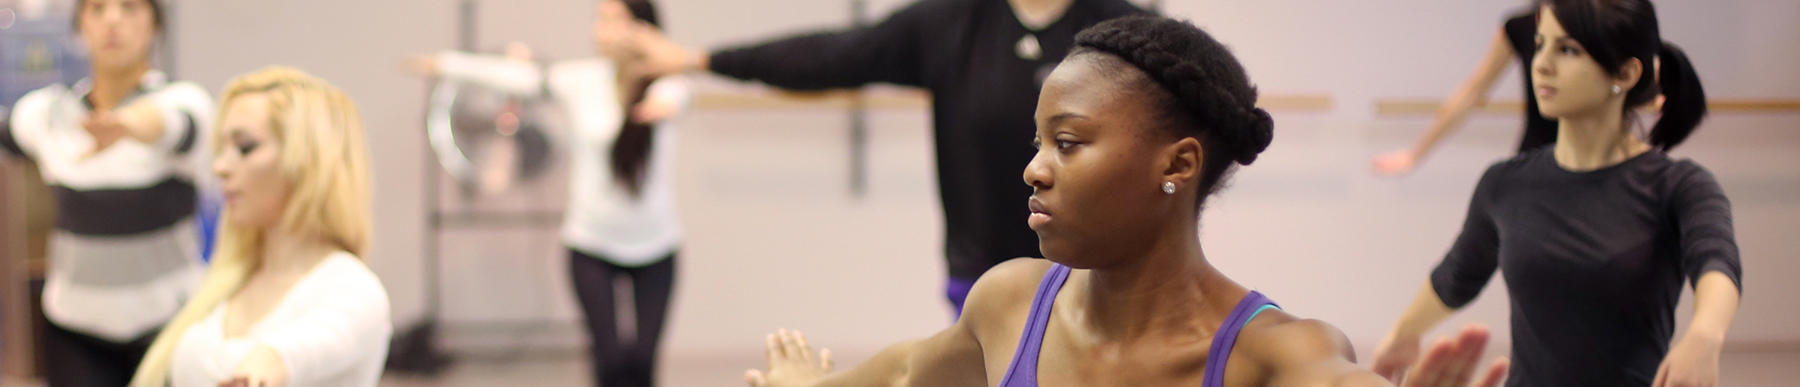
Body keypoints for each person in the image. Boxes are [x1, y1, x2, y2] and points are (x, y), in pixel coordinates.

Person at [736, 16, 1508, 387]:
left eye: (1067, 143)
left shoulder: (1274, 355)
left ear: (1176, 165)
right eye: (1037, 144)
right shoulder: (1007, 303)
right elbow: (907, 373)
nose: (1034, 170)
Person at [631, 0, 1145, 316]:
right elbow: (832, 55)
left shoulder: (1122, 29)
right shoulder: (949, 25)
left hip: (1101, 277)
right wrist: (699, 60)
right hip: (985, 277)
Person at [1370, 1, 1739, 386]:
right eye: (1540, 44)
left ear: (1626, 73)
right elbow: (1457, 275)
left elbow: (1717, 261)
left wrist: (1704, 336)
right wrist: (1403, 333)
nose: (1541, 64)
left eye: (1567, 50)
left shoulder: (1678, 186)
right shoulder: (1505, 183)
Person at [406, 1, 689, 385]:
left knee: (642, 362)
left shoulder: (667, 82)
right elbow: (516, 78)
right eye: (598, 21)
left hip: (657, 246)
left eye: (610, 21)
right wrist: (445, 64)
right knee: (607, 359)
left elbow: (676, 96)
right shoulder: (580, 80)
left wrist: (658, 98)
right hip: (592, 243)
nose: (598, 30)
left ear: (641, 28)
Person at [128, 67, 392, 387]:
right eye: (221, 149)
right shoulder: (227, 280)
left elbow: (302, 349)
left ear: (308, 160)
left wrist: (268, 362)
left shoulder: (351, 289)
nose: (221, 167)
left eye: (245, 147)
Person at [0, 0, 213, 384]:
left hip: (168, 328)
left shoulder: (183, 100)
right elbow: (8, 133)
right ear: (80, 26)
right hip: (75, 330)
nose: (112, 20)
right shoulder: (52, 113)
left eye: (129, 8)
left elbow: (172, 126)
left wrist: (126, 124)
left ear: (155, 25)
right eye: (97, 9)